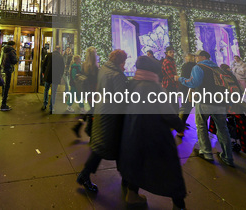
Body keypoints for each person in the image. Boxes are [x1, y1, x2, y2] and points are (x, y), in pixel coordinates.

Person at [118, 56, 187, 207]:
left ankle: (132, 194)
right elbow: (167, 113)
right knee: (170, 170)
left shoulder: (132, 84)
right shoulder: (154, 87)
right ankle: (179, 203)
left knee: (136, 164)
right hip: (155, 136)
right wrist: (180, 125)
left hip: (133, 133)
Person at [76, 50, 128, 194]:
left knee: (103, 147)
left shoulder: (105, 69)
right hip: (111, 116)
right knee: (107, 148)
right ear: (121, 61)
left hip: (102, 111)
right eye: (124, 61)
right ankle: (85, 175)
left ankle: (126, 177)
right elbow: (121, 99)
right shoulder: (117, 75)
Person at [180, 50, 234, 167]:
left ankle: (206, 152)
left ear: (203, 57)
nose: (195, 58)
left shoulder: (199, 67)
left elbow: (194, 83)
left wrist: (180, 79)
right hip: (220, 103)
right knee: (223, 129)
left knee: (201, 126)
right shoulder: (218, 69)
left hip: (205, 101)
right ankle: (228, 156)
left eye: (197, 56)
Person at [72, 47, 100, 137]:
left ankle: (81, 127)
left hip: (86, 91)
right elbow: (97, 81)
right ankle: (86, 129)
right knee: (92, 110)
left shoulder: (84, 65)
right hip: (93, 92)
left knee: (92, 109)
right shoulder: (96, 67)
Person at [177, 53, 197, 137]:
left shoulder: (185, 66)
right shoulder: (196, 66)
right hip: (194, 89)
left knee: (185, 107)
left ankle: (180, 128)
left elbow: (183, 78)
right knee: (189, 107)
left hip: (186, 89)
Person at [41, 45, 65, 113]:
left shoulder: (49, 55)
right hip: (56, 77)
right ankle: (51, 108)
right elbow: (62, 68)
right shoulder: (61, 57)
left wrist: (43, 72)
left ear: (54, 49)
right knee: (53, 92)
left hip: (48, 75)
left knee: (46, 90)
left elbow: (44, 64)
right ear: (59, 50)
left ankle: (44, 104)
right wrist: (60, 76)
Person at [0, 40, 18, 111]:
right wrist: (16, 58)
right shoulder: (11, 51)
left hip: (3, 69)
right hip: (8, 70)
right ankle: (3, 104)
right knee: (7, 85)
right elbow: (14, 61)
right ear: (13, 45)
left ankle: (3, 97)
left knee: (4, 85)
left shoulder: (3, 50)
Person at [162, 46, 180, 113]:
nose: (172, 53)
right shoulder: (167, 62)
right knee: (173, 103)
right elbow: (171, 76)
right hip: (169, 84)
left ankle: (177, 119)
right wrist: (177, 82)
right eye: (170, 52)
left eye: (173, 52)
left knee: (174, 102)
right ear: (167, 53)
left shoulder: (171, 60)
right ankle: (175, 120)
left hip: (170, 84)